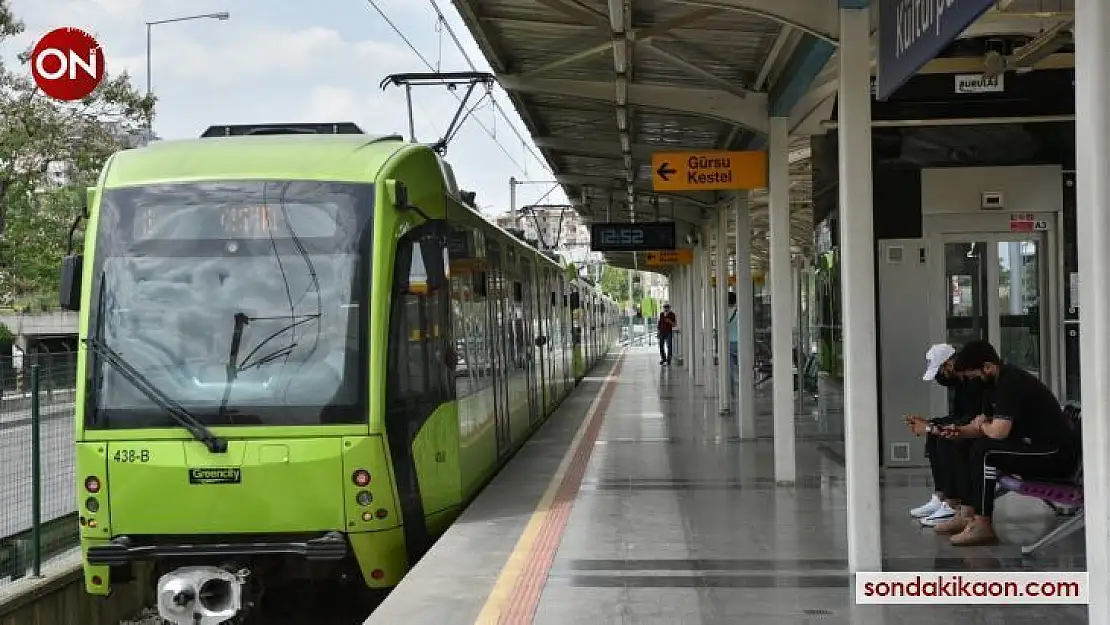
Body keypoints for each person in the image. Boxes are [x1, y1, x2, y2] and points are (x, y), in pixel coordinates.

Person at [932, 340, 1080, 546]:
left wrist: (982, 426)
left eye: (974, 375)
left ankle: (982, 524)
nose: (972, 380)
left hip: (1054, 454)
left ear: (988, 367)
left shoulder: (1011, 382)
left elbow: (999, 431)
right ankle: (966, 514)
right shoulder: (991, 384)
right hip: (1033, 448)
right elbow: (980, 426)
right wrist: (956, 432)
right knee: (962, 444)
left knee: (984, 451)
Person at [903, 343, 988, 527]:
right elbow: (959, 415)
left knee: (948, 440)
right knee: (935, 434)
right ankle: (941, 496)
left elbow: (971, 416)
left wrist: (936, 426)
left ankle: (952, 502)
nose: (941, 378)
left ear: (948, 365)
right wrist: (931, 423)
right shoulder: (961, 384)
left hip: (980, 429)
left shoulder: (972, 381)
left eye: (940, 372)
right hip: (970, 424)